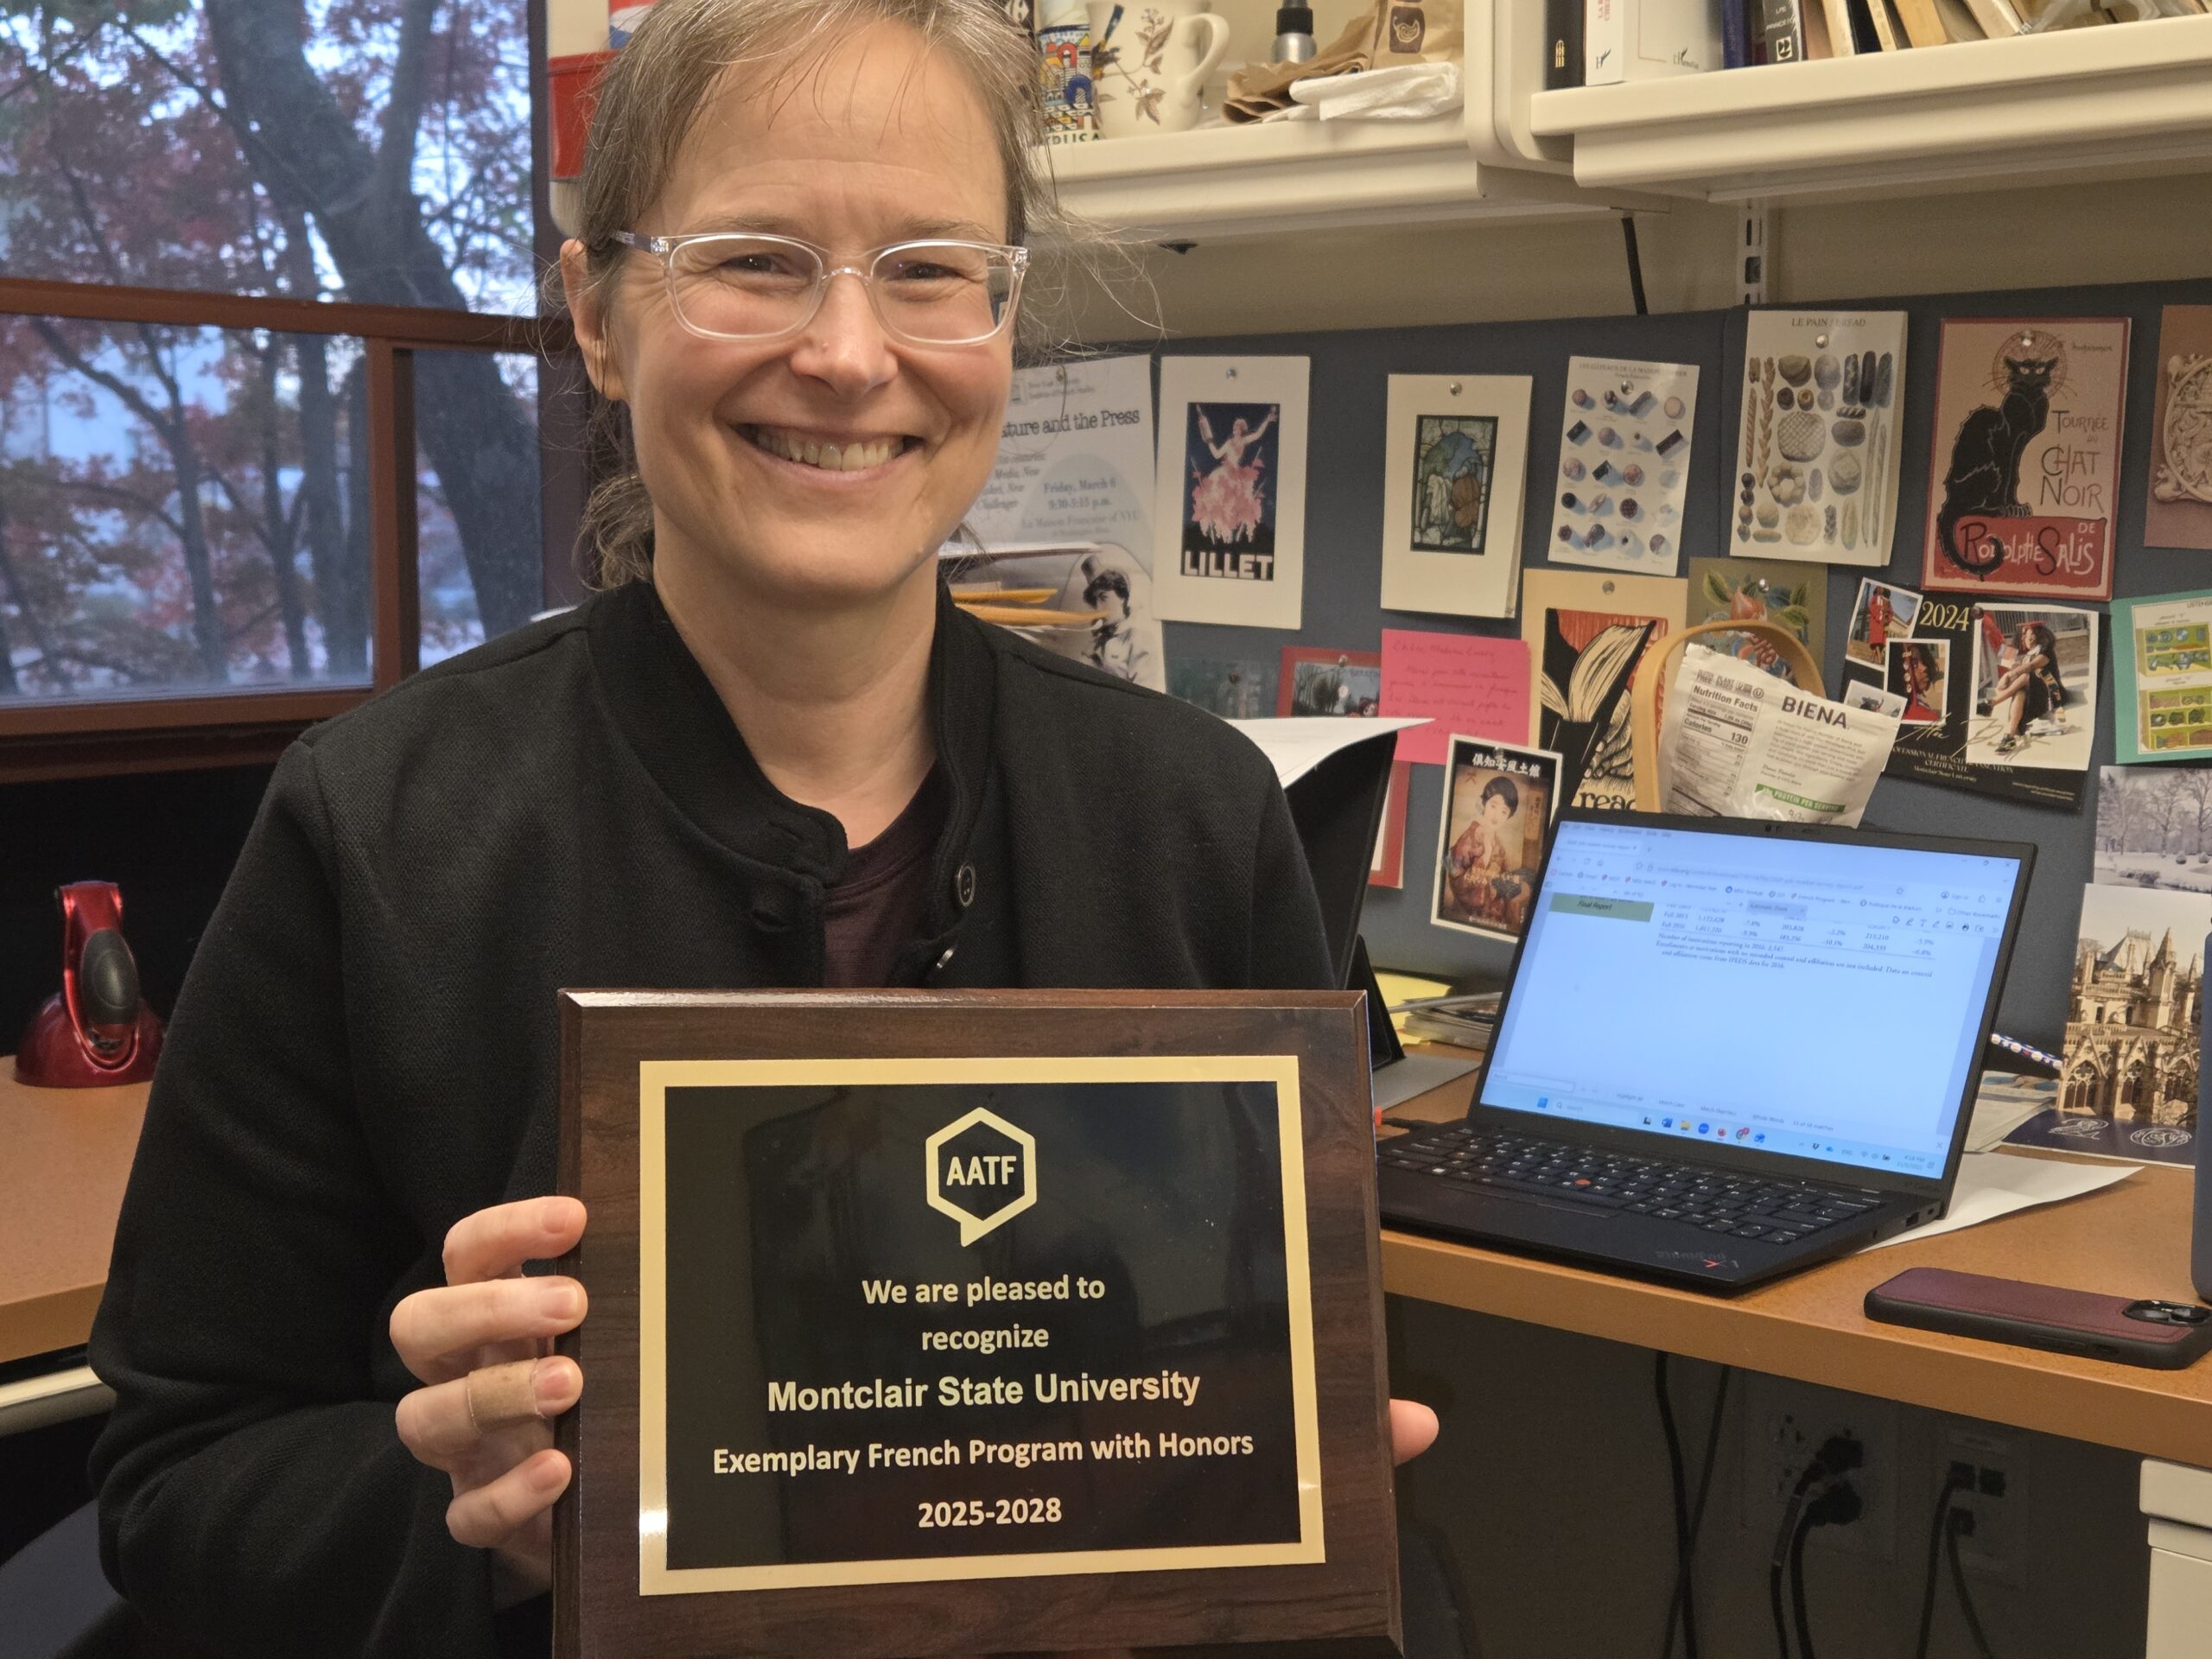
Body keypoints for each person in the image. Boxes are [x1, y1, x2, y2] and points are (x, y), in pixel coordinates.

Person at [85, 3, 1433, 1655]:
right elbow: (177, 1481)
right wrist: (477, 1515)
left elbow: (1291, 1439)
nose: (850, 355)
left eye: (930, 269)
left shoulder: (1196, 819)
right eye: (753, 261)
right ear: (598, 316)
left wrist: (1293, 1504)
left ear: (1005, 319)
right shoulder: (377, 831)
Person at [1445, 775, 1533, 934]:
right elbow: (1456, 879)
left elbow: (1503, 878)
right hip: (1468, 916)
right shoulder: (1468, 838)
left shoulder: (1499, 845)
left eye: (1504, 812)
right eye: (1493, 806)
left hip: (1494, 915)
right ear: (1484, 804)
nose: (1497, 815)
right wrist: (1485, 857)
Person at [1188, 407, 1276, 546]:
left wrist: (1267, 420)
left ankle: (1229, 538)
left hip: (1236, 476)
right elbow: (1217, 455)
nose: (1234, 428)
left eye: (1236, 427)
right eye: (1234, 426)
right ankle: (1221, 535)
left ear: (1241, 429)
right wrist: (1210, 442)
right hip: (1224, 474)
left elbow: (1258, 434)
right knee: (1220, 502)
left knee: (1235, 505)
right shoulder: (1229, 442)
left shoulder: (1244, 441)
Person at [1985, 620, 2065, 754]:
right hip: (2033, 699)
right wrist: (2010, 670)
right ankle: (2009, 737)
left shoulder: (2046, 652)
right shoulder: (2025, 656)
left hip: (2052, 695)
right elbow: (2007, 658)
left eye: (2025, 634)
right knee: (2020, 692)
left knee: (2025, 676)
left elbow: (2031, 666)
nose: (2022, 638)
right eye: (2022, 634)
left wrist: (2009, 675)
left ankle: (1991, 704)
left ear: (2035, 637)